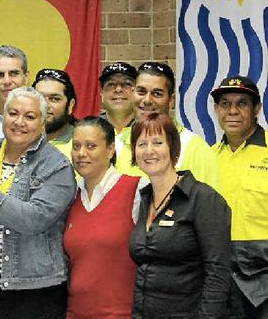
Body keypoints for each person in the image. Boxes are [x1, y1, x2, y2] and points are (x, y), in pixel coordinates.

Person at [0, 87, 76, 319]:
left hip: (32, 292)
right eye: (13, 113)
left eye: (30, 117)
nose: (19, 122)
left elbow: (34, 219)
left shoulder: (56, 166)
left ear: (43, 123)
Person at [128, 113, 231, 318]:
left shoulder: (203, 198)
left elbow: (218, 274)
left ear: (173, 149)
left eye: (158, 142)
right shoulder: (144, 199)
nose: (149, 151)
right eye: (142, 144)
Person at [64, 116, 146, 318]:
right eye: (76, 146)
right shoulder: (69, 199)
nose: (81, 153)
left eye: (91, 146)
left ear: (110, 149)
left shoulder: (137, 190)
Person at [210, 75, 268, 318]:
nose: (232, 111)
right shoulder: (209, 157)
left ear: (256, 109)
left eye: (242, 103)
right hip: (221, 272)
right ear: (216, 110)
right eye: (225, 104)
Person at [115, 62, 218, 189]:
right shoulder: (115, 146)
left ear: (171, 100)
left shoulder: (195, 148)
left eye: (157, 93)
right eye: (141, 91)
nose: (147, 100)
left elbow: (210, 205)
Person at [32, 68, 77, 158]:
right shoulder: (18, 141)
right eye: (40, 98)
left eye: (55, 99)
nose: (46, 105)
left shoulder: (82, 145)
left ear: (70, 105)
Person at [98, 62, 137, 134]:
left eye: (127, 84)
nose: (118, 89)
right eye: (111, 84)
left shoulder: (150, 128)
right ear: (102, 93)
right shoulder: (90, 129)